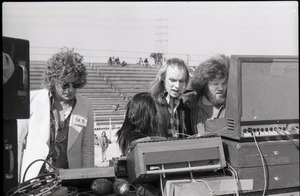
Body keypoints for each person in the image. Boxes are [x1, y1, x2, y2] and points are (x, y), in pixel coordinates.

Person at [17, 47, 95, 182]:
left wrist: (88, 179)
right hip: (35, 178)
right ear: (53, 80)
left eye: (75, 84)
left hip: (71, 178)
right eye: (65, 85)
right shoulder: (32, 100)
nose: (70, 90)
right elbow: (18, 143)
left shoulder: (86, 105)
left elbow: (87, 147)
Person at [116, 58, 190, 155]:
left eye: (181, 81)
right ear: (163, 77)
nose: (177, 86)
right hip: (153, 164)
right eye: (172, 80)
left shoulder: (184, 107)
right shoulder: (142, 102)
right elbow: (125, 136)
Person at [183, 54, 230, 136]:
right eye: (215, 84)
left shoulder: (232, 106)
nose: (221, 88)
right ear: (203, 84)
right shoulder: (188, 105)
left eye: (224, 83)